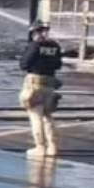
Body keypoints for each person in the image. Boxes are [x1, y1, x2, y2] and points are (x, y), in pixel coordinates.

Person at [19, 20, 64, 158]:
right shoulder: (54, 46)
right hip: (50, 84)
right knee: (48, 116)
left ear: (34, 32)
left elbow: (24, 64)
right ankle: (52, 146)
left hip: (34, 84)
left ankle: (40, 147)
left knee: (35, 116)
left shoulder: (34, 46)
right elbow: (58, 64)